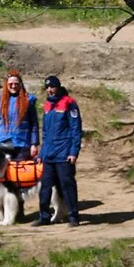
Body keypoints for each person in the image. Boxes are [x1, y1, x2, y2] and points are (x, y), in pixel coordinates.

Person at [32, 75, 82, 227]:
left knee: (67, 186)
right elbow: (45, 132)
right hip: (49, 155)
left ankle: (73, 216)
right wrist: (42, 154)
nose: (50, 90)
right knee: (45, 187)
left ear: (58, 87)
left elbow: (76, 130)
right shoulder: (47, 106)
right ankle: (44, 217)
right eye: (47, 87)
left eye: (52, 87)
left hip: (64, 154)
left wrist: (73, 152)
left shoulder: (69, 103)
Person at [0, 69, 39, 161]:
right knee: (3, 173)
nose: (13, 86)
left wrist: (34, 144)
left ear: (20, 84)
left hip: (22, 144)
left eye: (16, 84)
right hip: (2, 143)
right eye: (11, 84)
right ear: (6, 85)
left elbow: (34, 124)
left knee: (19, 173)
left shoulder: (29, 100)